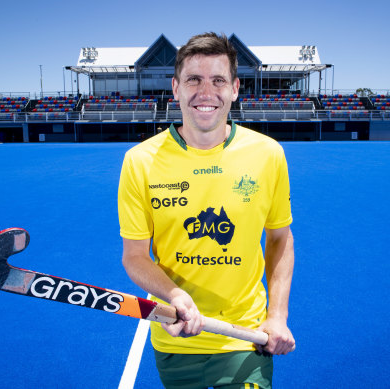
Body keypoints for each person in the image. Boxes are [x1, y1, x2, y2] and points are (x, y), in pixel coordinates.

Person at [118, 32, 295, 389]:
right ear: (175, 88)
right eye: (193, 79)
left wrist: (277, 316)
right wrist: (176, 296)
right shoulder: (140, 162)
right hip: (175, 339)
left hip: (245, 338)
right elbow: (135, 256)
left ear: (234, 89)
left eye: (218, 80)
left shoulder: (268, 154)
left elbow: (279, 238)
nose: (205, 92)